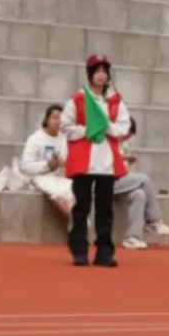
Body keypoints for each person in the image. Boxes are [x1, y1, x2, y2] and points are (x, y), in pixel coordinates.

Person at [61, 54, 132, 267]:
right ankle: (79, 250)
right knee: (81, 207)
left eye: (104, 71)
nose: (101, 75)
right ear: (90, 74)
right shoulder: (77, 99)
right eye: (97, 71)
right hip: (84, 160)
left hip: (106, 163)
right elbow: (66, 126)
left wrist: (105, 127)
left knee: (104, 210)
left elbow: (124, 127)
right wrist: (87, 130)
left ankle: (104, 252)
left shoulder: (115, 101)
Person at [114, 117, 169, 249]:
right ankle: (153, 220)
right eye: (126, 134)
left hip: (121, 182)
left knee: (139, 194)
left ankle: (132, 237)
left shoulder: (124, 146)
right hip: (105, 182)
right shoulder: (106, 140)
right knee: (143, 179)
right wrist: (124, 158)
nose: (126, 138)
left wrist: (127, 164)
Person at [19, 104, 74, 225]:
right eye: (55, 118)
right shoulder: (35, 139)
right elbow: (25, 166)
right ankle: (75, 223)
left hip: (59, 178)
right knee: (60, 193)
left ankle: (76, 223)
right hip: (39, 177)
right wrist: (47, 165)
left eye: (61, 119)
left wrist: (64, 163)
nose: (59, 122)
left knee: (76, 189)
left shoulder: (64, 139)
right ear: (47, 119)